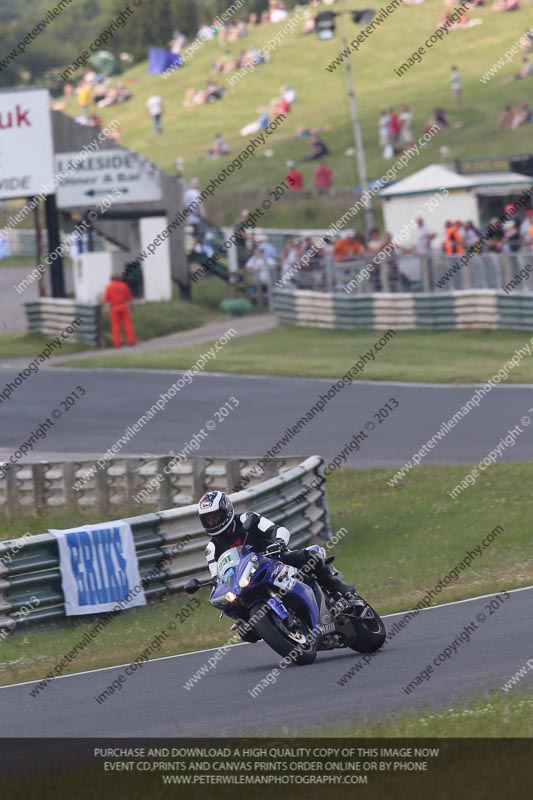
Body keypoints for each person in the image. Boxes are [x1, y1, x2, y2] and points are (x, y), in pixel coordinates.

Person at [198, 491, 355, 640]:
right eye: (208, 519)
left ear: (226, 511)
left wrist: (278, 543)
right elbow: (218, 576)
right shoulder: (211, 550)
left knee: (310, 558)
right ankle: (265, 625)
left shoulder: (246, 518)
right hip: (246, 579)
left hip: (274, 559)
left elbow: (276, 529)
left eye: (215, 517)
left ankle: (340, 588)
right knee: (242, 626)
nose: (212, 522)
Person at [103, 274, 136, 348]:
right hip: (123, 306)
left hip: (114, 307)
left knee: (115, 326)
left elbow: (106, 300)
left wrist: (105, 308)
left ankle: (117, 343)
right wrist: (132, 306)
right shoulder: (124, 285)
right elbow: (129, 297)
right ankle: (131, 341)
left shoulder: (109, 287)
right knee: (127, 324)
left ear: (111, 279)